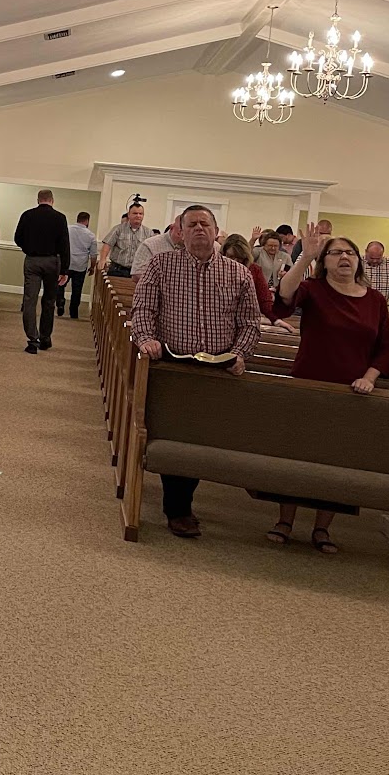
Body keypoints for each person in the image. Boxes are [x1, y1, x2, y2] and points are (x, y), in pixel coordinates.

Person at [129, 205, 262, 538]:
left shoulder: (238, 273)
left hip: (216, 367)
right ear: (180, 232)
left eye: (205, 223)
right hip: (174, 363)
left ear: (216, 231)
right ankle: (179, 509)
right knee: (177, 437)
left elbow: (250, 322)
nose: (199, 229)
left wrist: (240, 354)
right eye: (192, 224)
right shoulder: (161, 264)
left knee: (200, 439)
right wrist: (146, 339)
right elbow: (142, 309)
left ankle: (181, 503)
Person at [268, 225, 389, 554]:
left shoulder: (375, 300)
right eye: (336, 252)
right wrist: (305, 257)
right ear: (324, 261)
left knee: (336, 461)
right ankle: (284, 521)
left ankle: (322, 527)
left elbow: (383, 350)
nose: (344, 257)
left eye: (350, 252)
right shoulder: (313, 289)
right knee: (297, 457)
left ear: (359, 261)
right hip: (309, 386)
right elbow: (283, 298)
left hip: (351, 394)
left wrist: (369, 378)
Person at [13, 190, 70, 354]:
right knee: (49, 301)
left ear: (38, 200)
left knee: (29, 300)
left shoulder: (27, 215)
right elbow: (64, 245)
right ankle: (45, 337)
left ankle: (32, 339)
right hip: (52, 261)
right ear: (52, 200)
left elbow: (17, 238)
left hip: (32, 260)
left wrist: (28, 248)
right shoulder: (60, 218)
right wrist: (65, 269)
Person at [58, 211, 97, 318]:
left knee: (60, 284)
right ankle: (73, 311)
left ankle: (60, 302)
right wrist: (92, 267)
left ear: (77, 219)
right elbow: (93, 255)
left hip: (67, 264)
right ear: (87, 221)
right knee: (77, 290)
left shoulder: (67, 229)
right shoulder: (91, 235)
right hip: (80, 266)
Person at [97, 201, 150, 278]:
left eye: (140, 214)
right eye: (135, 213)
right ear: (129, 215)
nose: (138, 216)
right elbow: (107, 244)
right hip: (117, 271)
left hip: (137, 272)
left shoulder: (148, 233)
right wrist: (102, 259)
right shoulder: (118, 229)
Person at [362, 241, 389, 315]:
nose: (374, 261)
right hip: (360, 306)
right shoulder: (357, 262)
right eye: (371, 258)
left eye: (378, 258)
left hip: (381, 308)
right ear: (366, 252)